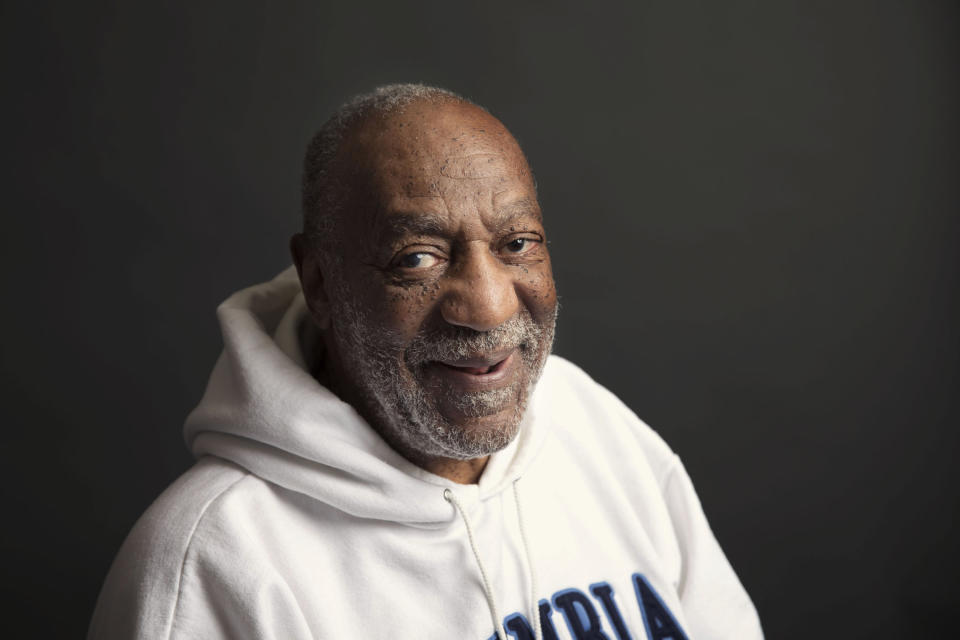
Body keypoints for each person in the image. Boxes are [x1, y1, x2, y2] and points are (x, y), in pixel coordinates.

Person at [89, 84, 763, 640]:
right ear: (321, 284)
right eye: (418, 258)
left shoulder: (600, 435)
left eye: (516, 243)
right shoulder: (208, 565)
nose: (491, 308)